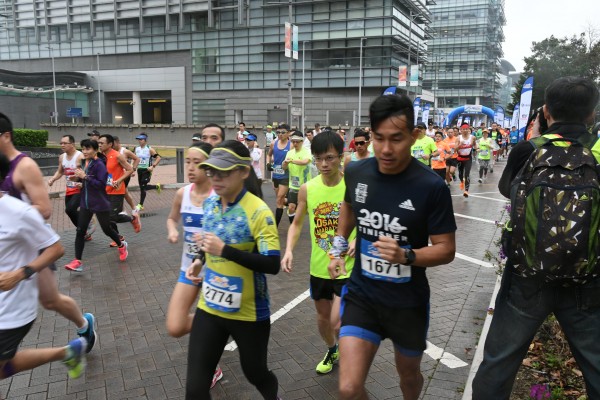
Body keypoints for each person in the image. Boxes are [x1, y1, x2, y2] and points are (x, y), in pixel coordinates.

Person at [472, 77, 600, 399]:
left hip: (527, 277)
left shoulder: (528, 149)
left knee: (498, 364)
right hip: (586, 279)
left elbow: (507, 190)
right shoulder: (597, 151)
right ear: (592, 115)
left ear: (545, 111)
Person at [327, 94, 456, 400]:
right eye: (379, 138)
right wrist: (338, 246)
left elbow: (446, 249)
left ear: (414, 135)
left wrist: (406, 255)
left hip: (407, 304)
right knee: (348, 388)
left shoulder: (431, 186)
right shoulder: (357, 172)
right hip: (363, 295)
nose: (385, 149)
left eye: (396, 139)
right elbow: (348, 206)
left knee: (408, 378)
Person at [184, 140, 281, 399]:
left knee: (255, 373)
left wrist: (225, 251)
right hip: (210, 307)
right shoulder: (210, 204)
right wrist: (199, 260)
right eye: (211, 171)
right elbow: (209, 242)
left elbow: (272, 264)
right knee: (195, 389)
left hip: (248, 312)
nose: (215, 178)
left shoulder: (259, 212)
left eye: (224, 172)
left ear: (244, 171)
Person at [0, 112, 96, 353]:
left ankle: (85, 325)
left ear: (6, 136)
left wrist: (10, 209)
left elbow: (44, 209)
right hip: (8, 244)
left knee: (50, 300)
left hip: (36, 244)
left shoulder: (24, 166)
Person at [0, 156, 87, 383]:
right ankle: (69, 352)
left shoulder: (18, 212)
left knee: (51, 300)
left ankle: (75, 340)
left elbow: (56, 248)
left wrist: (20, 274)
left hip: (10, 310)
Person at [281, 131, 356, 375]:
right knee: (324, 319)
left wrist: (359, 240)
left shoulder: (352, 187)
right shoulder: (307, 189)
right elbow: (296, 223)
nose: (324, 164)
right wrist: (289, 250)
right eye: (319, 159)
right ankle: (332, 349)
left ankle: (350, 355)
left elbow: (367, 221)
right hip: (319, 266)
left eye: (330, 158)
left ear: (341, 157)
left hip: (347, 267)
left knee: (339, 321)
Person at [166, 142, 224, 389]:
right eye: (188, 161)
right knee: (175, 326)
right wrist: (172, 231)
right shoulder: (183, 194)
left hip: (216, 273)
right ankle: (221, 325)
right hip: (188, 270)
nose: (190, 167)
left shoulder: (219, 196)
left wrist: (211, 241)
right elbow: (172, 218)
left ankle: (213, 366)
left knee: (209, 322)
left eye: (197, 163)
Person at [64, 139, 129, 272]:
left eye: (88, 149)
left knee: (107, 229)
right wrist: (78, 180)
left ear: (95, 150)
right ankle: (77, 261)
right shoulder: (84, 163)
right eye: (83, 149)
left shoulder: (99, 164)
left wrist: (85, 177)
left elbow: (101, 184)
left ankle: (121, 245)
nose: (84, 151)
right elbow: (86, 180)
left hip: (100, 203)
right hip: (86, 203)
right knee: (80, 231)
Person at [98, 134, 139, 248]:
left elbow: (129, 169)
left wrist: (119, 180)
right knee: (107, 218)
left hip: (117, 191)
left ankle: (132, 219)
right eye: (99, 143)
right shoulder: (100, 157)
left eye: (102, 143)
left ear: (110, 144)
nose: (99, 145)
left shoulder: (117, 155)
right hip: (105, 191)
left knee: (112, 217)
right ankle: (118, 238)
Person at [47, 135, 84, 229]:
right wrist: (53, 179)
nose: (62, 145)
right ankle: (84, 229)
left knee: (71, 209)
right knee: (69, 211)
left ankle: (83, 227)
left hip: (80, 188)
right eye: (61, 143)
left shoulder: (80, 156)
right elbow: (60, 171)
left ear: (72, 144)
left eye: (65, 143)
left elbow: (87, 172)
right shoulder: (62, 157)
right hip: (69, 188)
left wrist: (79, 178)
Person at [283, 130, 312, 223]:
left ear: (302, 142)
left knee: (307, 210)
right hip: (293, 185)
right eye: (293, 141)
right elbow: (284, 167)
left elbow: (305, 162)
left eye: (297, 142)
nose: (295, 144)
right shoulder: (289, 153)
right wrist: (285, 163)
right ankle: (293, 225)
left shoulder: (307, 151)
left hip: (305, 185)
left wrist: (291, 161)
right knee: (291, 207)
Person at [267, 124, 291, 227]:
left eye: (283, 132)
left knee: (279, 198)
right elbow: (269, 155)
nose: (280, 134)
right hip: (275, 175)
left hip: (286, 176)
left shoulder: (291, 145)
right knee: (280, 199)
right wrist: (268, 163)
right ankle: (292, 202)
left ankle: (275, 226)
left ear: (288, 133)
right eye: (278, 132)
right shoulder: (274, 143)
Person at [134, 132, 162, 211]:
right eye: (138, 139)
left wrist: (152, 166)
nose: (139, 141)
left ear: (145, 140)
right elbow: (134, 158)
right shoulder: (137, 149)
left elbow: (158, 158)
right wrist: (132, 168)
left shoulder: (150, 149)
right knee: (142, 187)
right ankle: (156, 187)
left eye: (141, 139)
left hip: (147, 170)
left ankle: (140, 204)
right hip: (139, 170)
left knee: (143, 186)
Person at [113, 136, 140, 214]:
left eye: (113, 144)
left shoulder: (125, 151)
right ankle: (133, 208)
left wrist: (133, 169)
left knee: (121, 192)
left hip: (125, 175)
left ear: (117, 142)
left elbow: (137, 159)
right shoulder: (111, 152)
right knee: (125, 192)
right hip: (116, 175)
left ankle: (122, 210)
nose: (112, 146)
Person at [456, 123, 476, 197]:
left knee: (467, 174)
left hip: (468, 158)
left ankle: (466, 191)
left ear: (469, 129)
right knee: (460, 174)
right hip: (460, 158)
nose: (465, 130)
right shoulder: (458, 138)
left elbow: (475, 145)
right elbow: (455, 149)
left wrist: (476, 148)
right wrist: (459, 145)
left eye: (466, 129)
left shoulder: (472, 137)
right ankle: (462, 181)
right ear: (461, 130)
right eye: (463, 129)